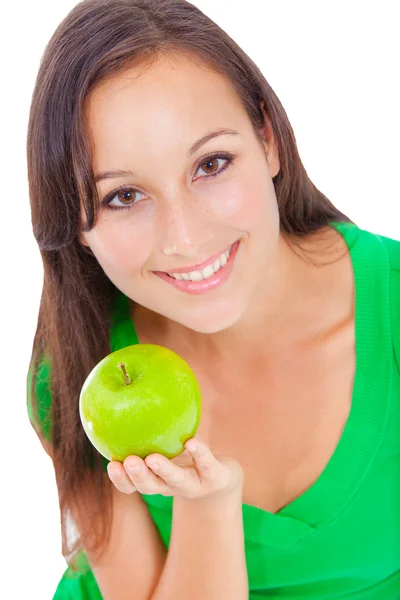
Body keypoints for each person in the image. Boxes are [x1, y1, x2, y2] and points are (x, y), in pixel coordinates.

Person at [26, 0, 400, 598]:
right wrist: (207, 510)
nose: (185, 237)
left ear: (269, 142)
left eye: (212, 163)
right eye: (123, 197)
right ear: (75, 225)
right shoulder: (77, 373)